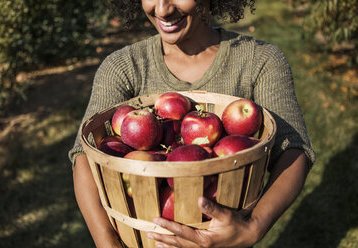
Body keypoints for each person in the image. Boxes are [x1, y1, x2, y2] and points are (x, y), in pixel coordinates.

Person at [68, 0, 315, 247]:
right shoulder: (123, 68)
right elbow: (83, 155)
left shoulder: (259, 61)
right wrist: (107, 243)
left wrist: (253, 228)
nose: (162, 9)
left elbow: (293, 150)